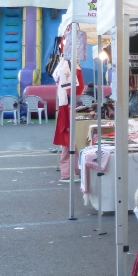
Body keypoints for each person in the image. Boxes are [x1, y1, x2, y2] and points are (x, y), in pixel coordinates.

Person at [53, 54, 85, 182]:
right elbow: (77, 90)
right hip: (66, 111)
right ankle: (67, 173)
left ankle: (75, 170)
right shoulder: (66, 68)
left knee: (71, 144)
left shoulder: (63, 68)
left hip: (66, 109)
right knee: (69, 144)